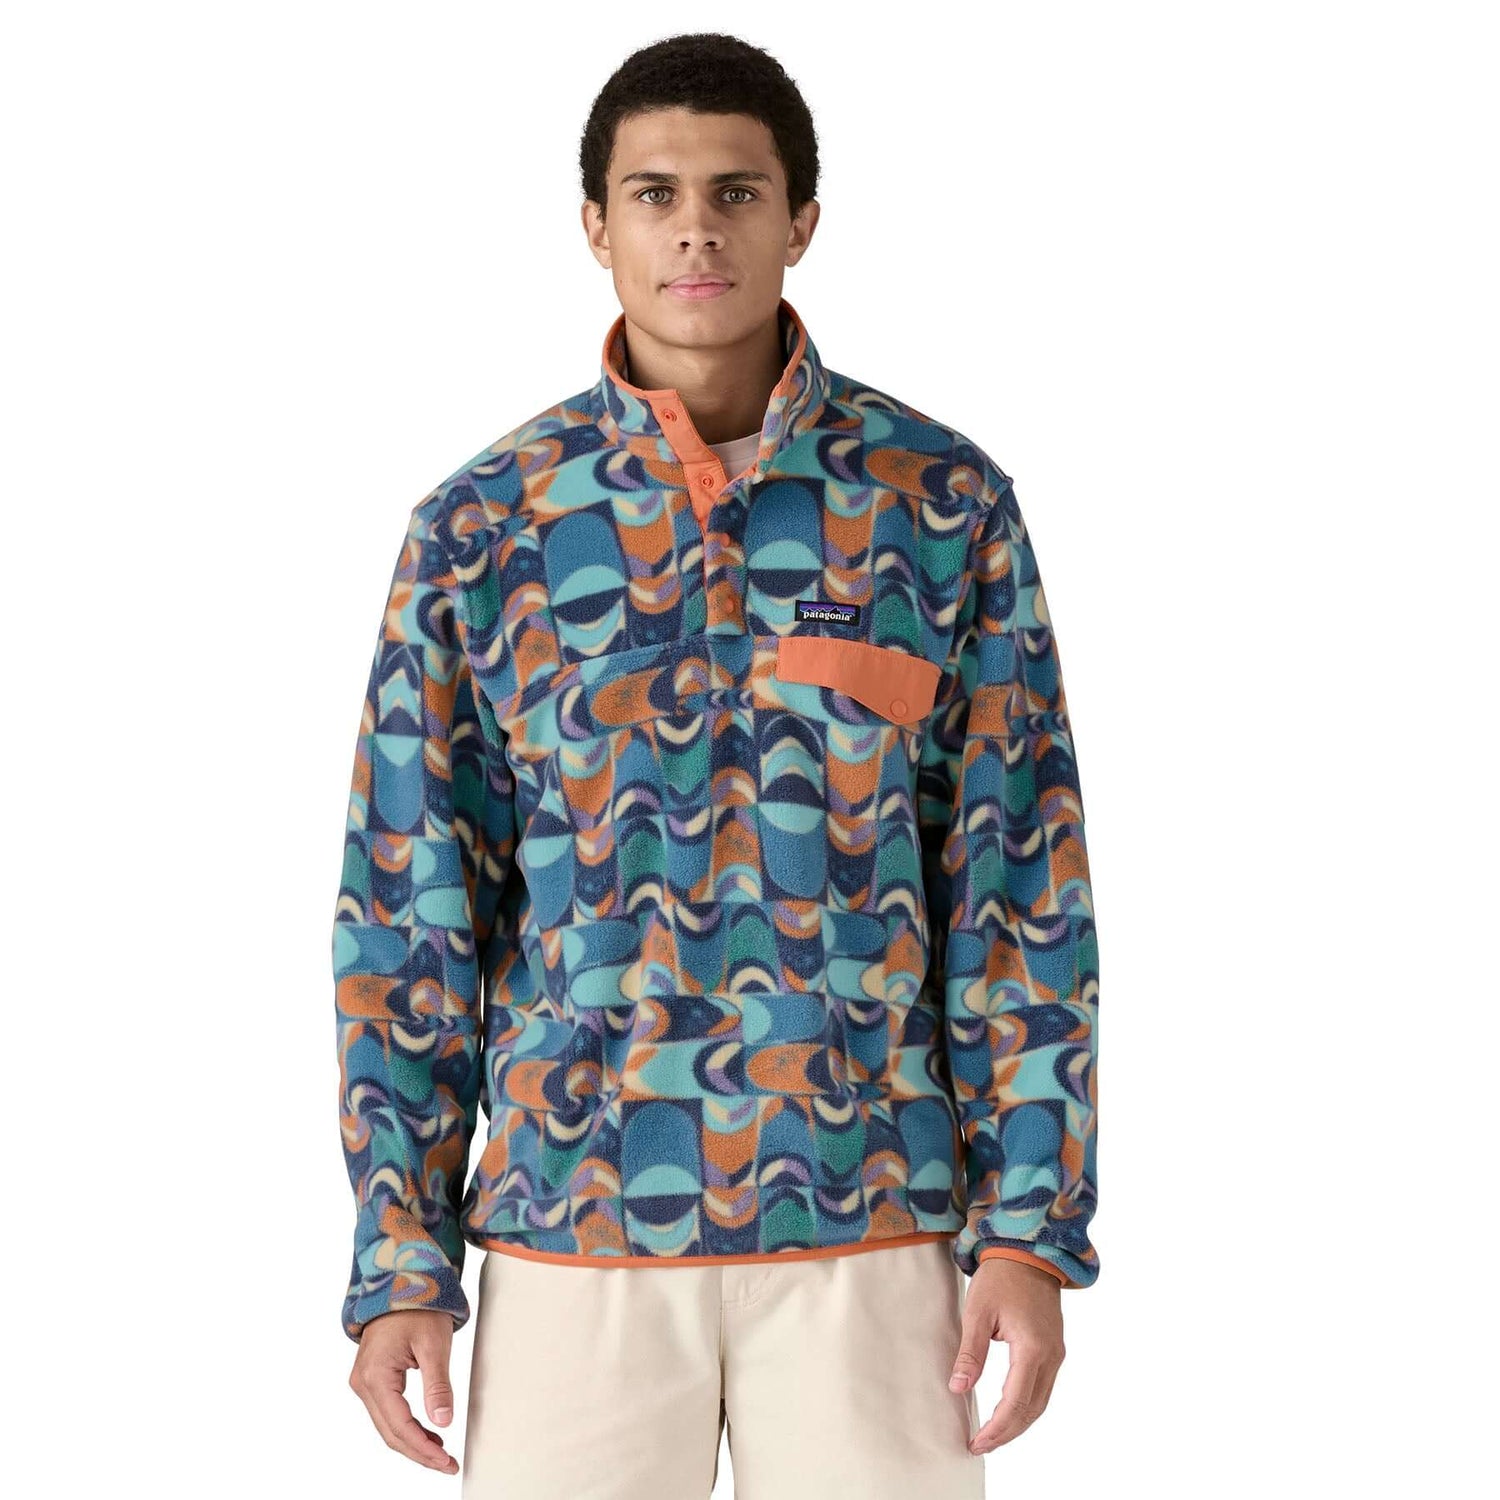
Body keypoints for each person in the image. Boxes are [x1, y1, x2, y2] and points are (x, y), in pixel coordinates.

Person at [330, 31, 1100, 1499]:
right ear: (596, 226)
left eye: (738, 193)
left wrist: (1028, 1231)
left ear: (801, 221)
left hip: (875, 1222)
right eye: (656, 194)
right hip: (574, 1224)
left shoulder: (940, 507)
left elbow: (1018, 889)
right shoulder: (484, 530)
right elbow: (408, 912)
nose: (697, 230)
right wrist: (399, 1262)